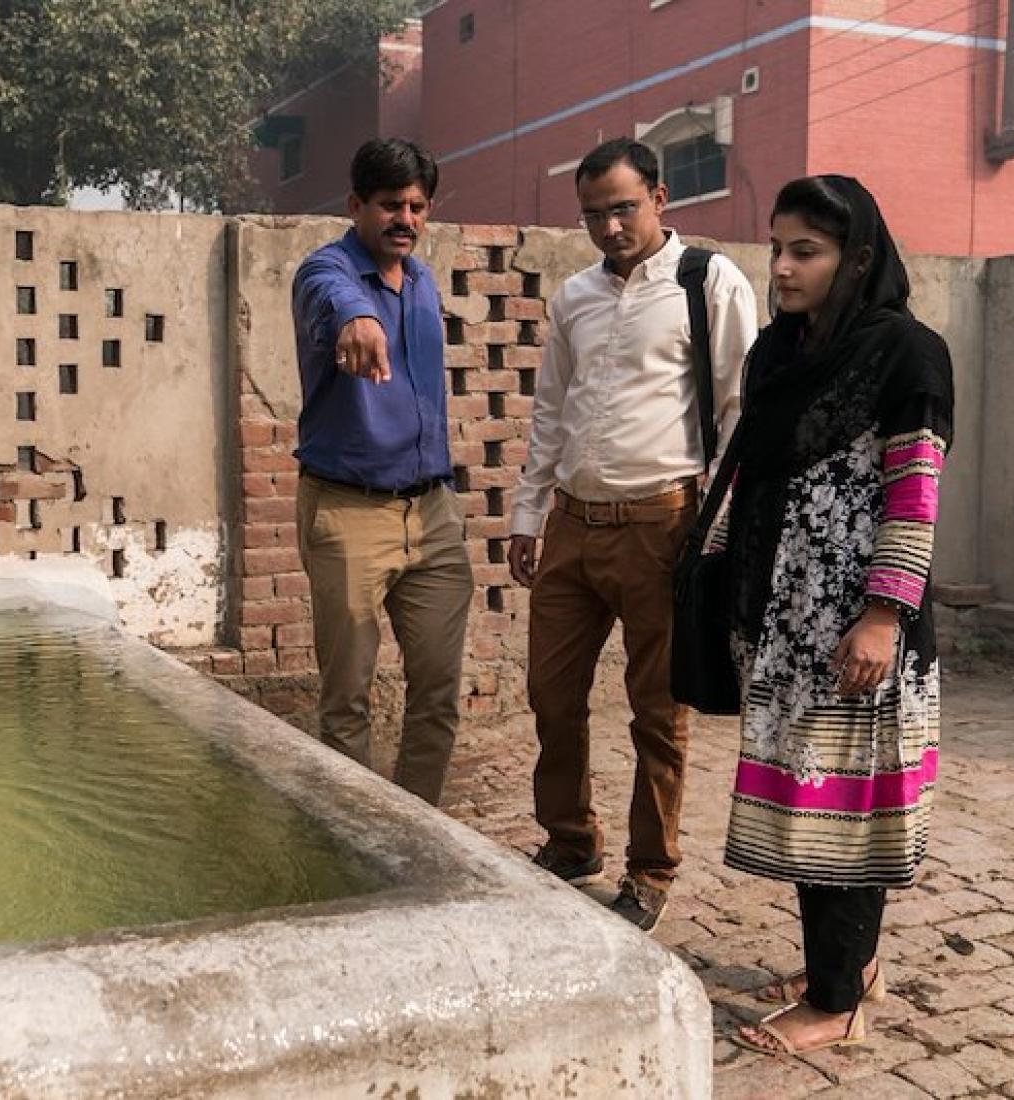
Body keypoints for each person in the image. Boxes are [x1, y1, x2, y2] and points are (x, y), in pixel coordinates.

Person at [712, 176, 953, 1055]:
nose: (779, 267)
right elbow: (751, 472)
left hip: (857, 628)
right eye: (775, 246)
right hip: (785, 624)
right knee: (818, 812)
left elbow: (915, 492)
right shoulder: (781, 353)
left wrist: (885, 614)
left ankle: (835, 1003)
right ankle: (852, 971)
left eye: (803, 251)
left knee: (845, 818)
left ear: (857, 260)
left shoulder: (906, 355)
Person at [508, 137, 758, 930]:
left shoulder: (707, 282)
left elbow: (736, 416)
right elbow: (551, 409)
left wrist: (715, 533)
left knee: (658, 708)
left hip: (664, 524)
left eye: (622, 207)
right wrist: (527, 514)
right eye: (592, 213)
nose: (609, 227)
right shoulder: (575, 296)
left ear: (659, 199)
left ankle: (650, 870)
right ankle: (571, 839)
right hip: (573, 526)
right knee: (551, 694)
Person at [289, 138, 473, 806]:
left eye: (418, 206)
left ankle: (417, 828)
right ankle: (355, 837)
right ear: (355, 205)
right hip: (350, 512)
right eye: (391, 204)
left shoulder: (421, 280)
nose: (407, 219)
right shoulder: (325, 272)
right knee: (348, 700)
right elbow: (330, 292)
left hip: (432, 513)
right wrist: (358, 315)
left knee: (439, 691)